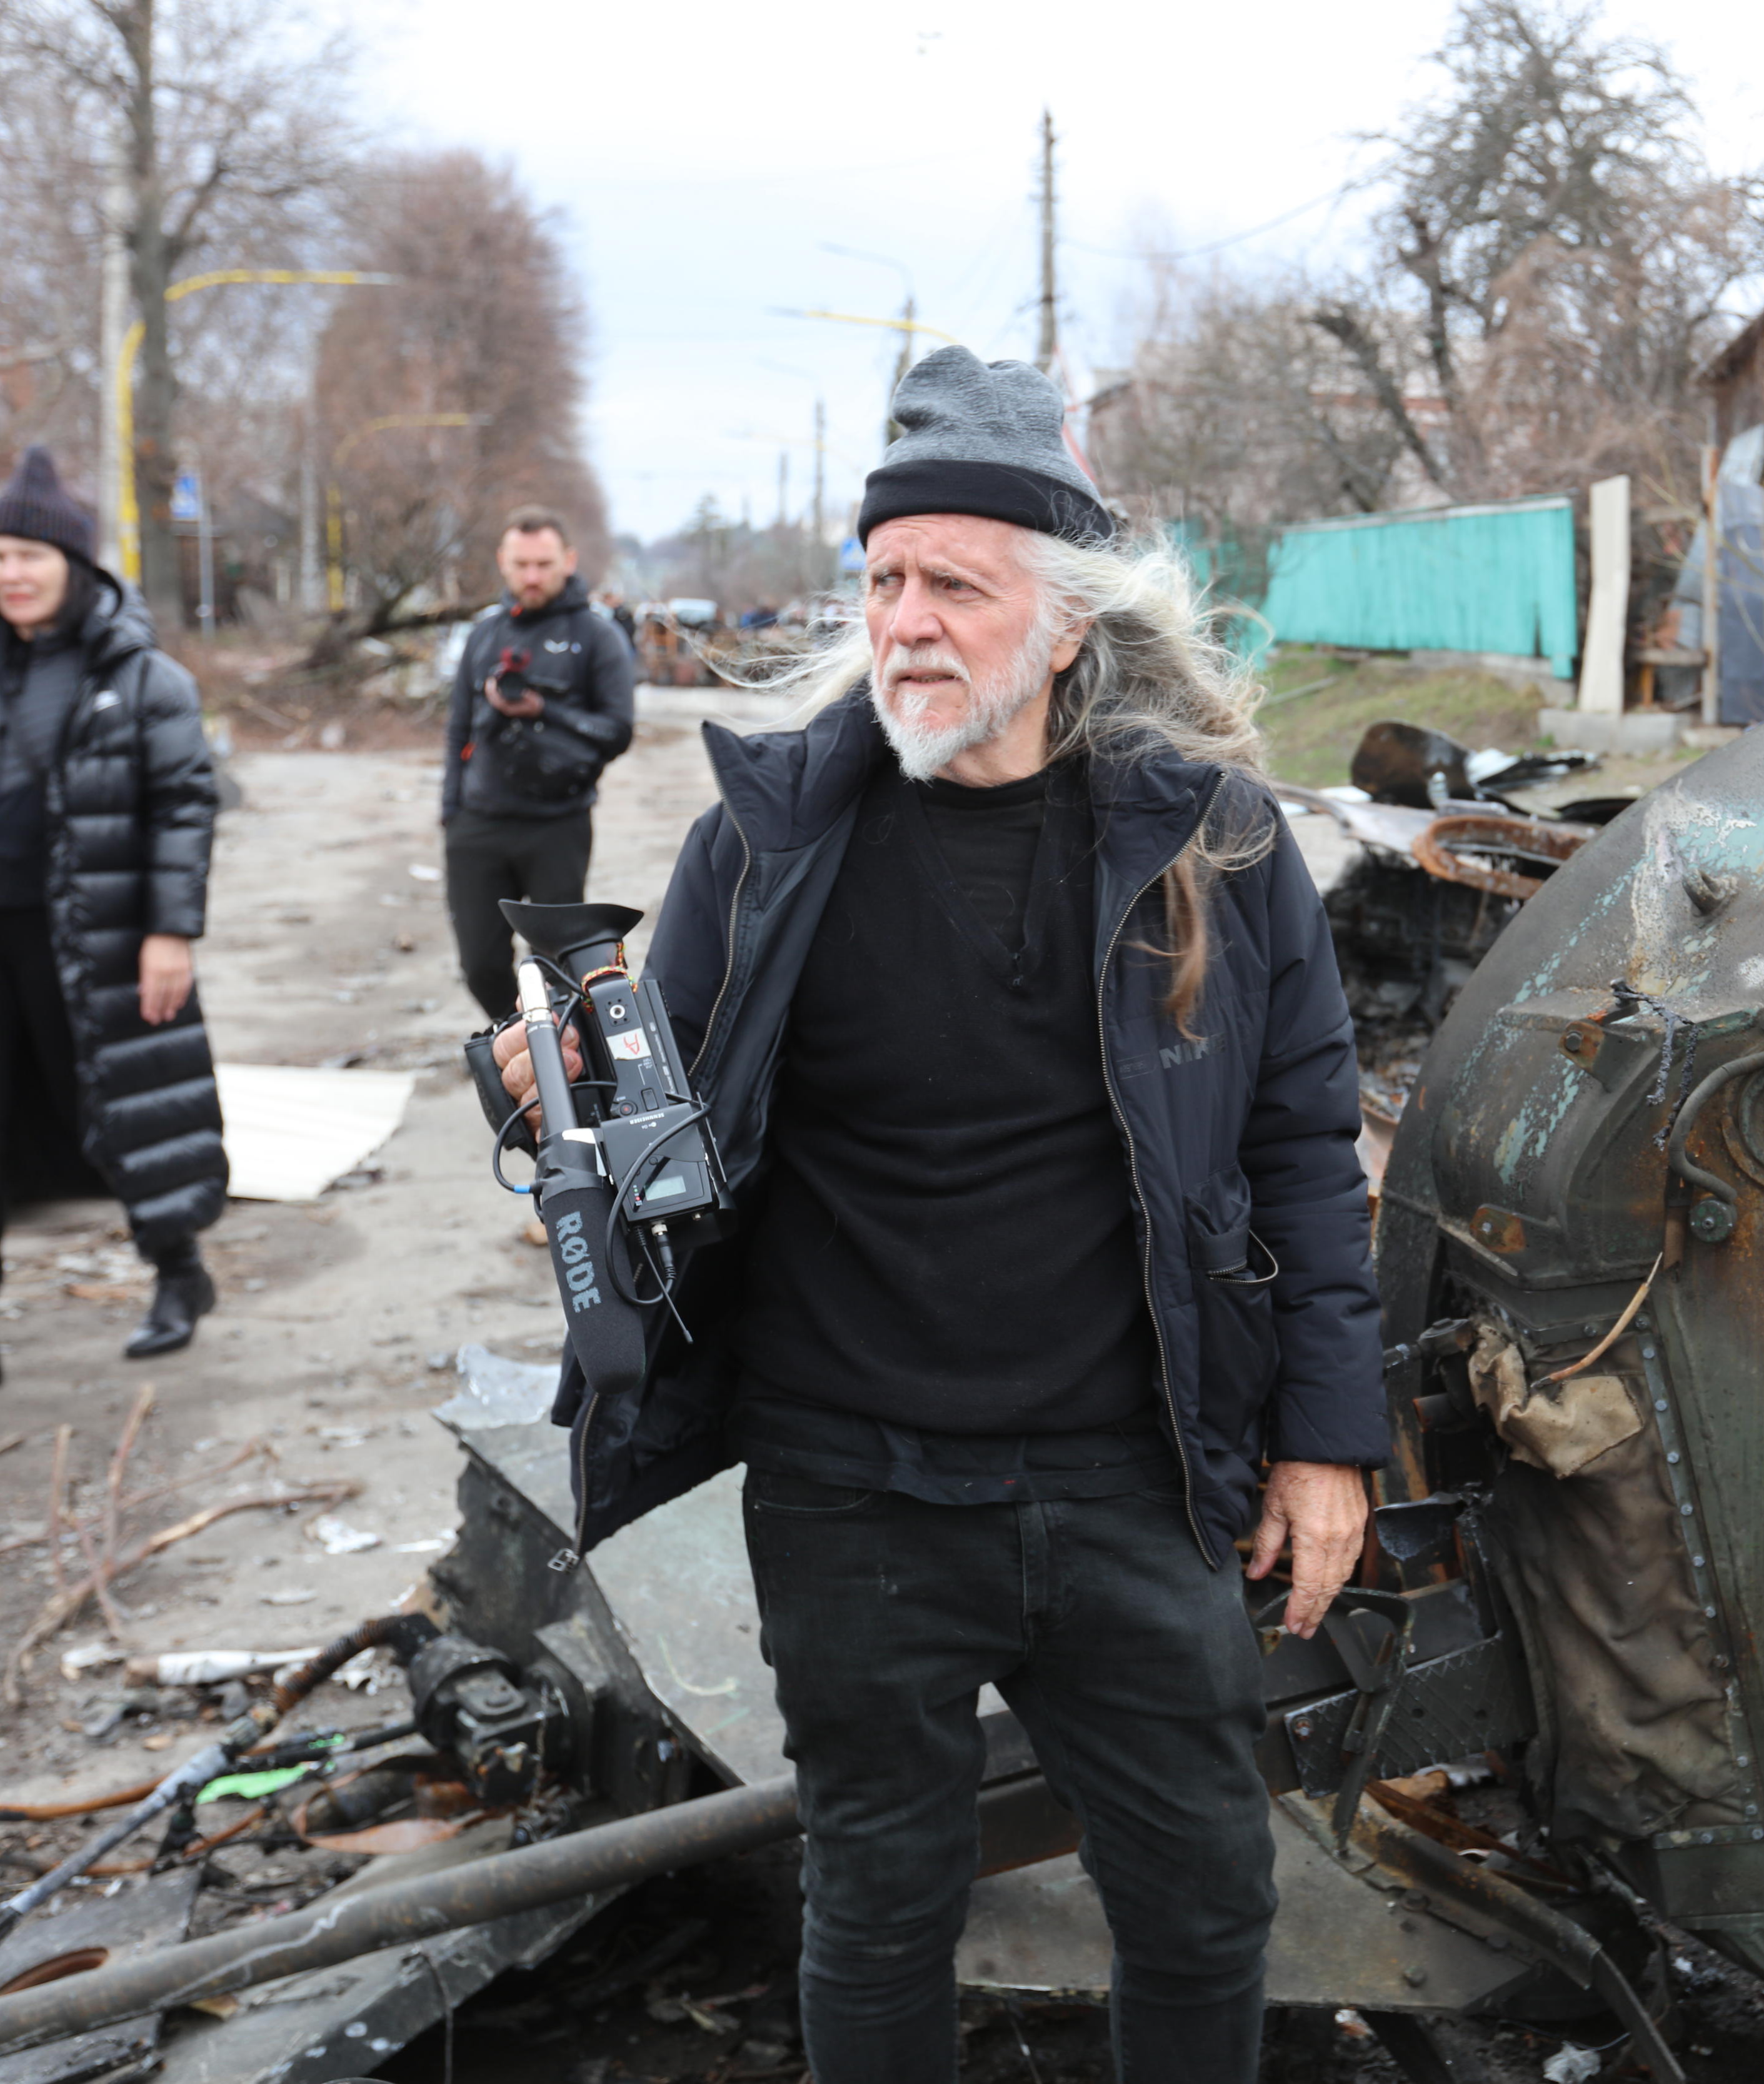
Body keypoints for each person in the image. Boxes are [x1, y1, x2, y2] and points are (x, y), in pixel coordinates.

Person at [492, 346, 1383, 2083]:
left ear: (1063, 625)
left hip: (1137, 1475)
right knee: (881, 1896)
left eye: (957, 586)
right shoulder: (764, 845)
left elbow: (1301, 1148)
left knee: (1204, 1901)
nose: (907, 619)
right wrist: (569, 1117)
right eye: (885, 578)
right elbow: (654, 1127)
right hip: (854, 1486)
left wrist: (1329, 1440)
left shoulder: (1215, 846)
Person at [0, 447, 228, 1407]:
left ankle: (177, 1271)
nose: (13, 573)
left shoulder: (138, 675)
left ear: (77, 565)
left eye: (32, 556)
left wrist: (169, 930)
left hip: (90, 934)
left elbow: (185, 801)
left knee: (115, 1107)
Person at [439, 506, 634, 1019]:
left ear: (568, 561)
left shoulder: (597, 635)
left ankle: (558, 1062)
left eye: (543, 564)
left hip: (559, 825)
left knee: (556, 967)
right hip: (479, 823)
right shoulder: (484, 635)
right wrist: (451, 812)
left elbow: (619, 731)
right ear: (503, 562)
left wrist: (544, 709)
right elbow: (457, 727)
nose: (532, 576)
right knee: (479, 963)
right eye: (521, 563)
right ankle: (522, 1039)